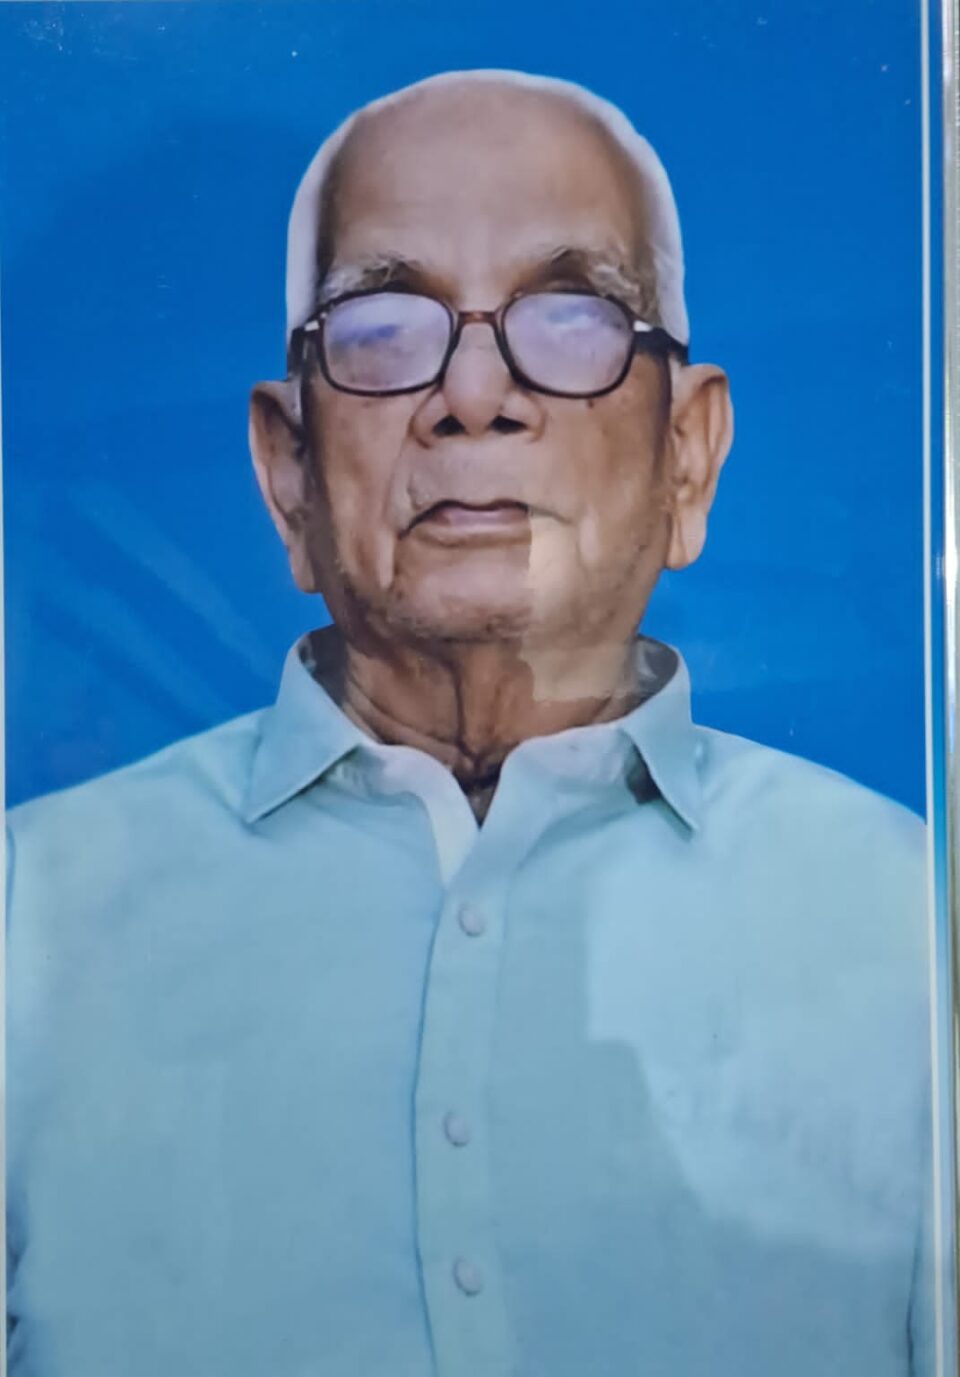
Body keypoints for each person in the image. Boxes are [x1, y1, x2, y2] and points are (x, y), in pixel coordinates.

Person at [6, 70, 933, 1377]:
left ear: (687, 456)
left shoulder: (912, 927)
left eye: (573, 315)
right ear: (288, 472)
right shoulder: (31, 921)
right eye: (385, 326)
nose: (477, 393)